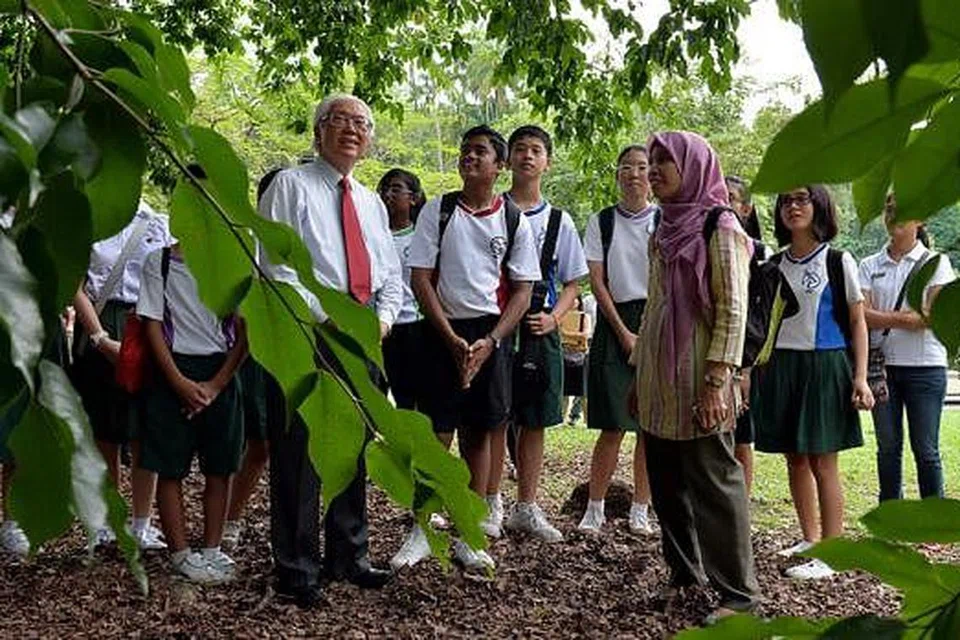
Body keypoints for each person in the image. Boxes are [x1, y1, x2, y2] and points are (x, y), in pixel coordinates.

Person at [258, 94, 401, 608]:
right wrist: (328, 319)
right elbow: (275, 267)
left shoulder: (370, 201)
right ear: (319, 130)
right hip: (307, 334)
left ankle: (349, 555)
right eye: (340, 120)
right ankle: (297, 567)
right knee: (299, 451)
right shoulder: (288, 186)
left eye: (361, 123)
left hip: (364, 339)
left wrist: (381, 320)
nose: (352, 130)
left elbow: (390, 276)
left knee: (354, 448)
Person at [399, 125, 540, 570]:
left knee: (479, 434)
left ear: (499, 166)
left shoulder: (512, 218)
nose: (469, 158)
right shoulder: (438, 211)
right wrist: (450, 337)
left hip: (490, 336)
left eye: (480, 152)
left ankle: (468, 533)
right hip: (441, 331)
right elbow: (420, 276)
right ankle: (421, 528)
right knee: (435, 433)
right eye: (465, 151)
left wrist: (491, 340)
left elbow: (523, 288)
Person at [632, 131, 759, 622]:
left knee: (714, 483)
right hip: (660, 379)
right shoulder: (663, 226)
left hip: (702, 376)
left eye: (666, 161)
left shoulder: (720, 225)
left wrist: (717, 380)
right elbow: (654, 307)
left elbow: (732, 309)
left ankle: (738, 599)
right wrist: (638, 374)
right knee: (665, 483)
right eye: (652, 161)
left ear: (695, 166)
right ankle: (685, 577)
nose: (654, 169)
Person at [752, 185, 874, 580]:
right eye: (785, 200)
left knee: (824, 461)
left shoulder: (839, 261)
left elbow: (857, 322)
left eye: (801, 199)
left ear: (819, 206)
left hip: (825, 365)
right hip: (782, 366)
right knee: (795, 456)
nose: (793, 207)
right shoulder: (773, 265)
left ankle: (832, 551)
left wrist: (859, 376)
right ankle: (810, 537)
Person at [477, 125, 588, 543]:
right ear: (507, 161)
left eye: (535, 150)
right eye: (519, 149)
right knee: (494, 415)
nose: (527, 156)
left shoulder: (559, 221)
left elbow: (573, 281)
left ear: (547, 161)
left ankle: (527, 505)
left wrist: (555, 318)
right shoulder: (491, 210)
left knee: (536, 417)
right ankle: (490, 501)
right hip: (497, 323)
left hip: (541, 325)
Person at [137, 241, 247, 583]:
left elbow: (247, 331)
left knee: (221, 465)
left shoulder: (234, 259)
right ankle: (181, 553)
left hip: (221, 370)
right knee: (169, 466)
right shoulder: (160, 262)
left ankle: (212, 549)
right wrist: (179, 382)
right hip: (172, 369)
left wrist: (216, 384)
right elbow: (152, 324)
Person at [71, 202, 171, 551]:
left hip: (144, 325)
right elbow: (76, 284)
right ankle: (104, 523)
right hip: (99, 321)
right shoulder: (86, 224)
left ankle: (142, 524)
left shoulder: (157, 224)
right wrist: (99, 338)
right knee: (103, 431)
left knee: (144, 428)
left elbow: (168, 281)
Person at [578, 145, 657, 535]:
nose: (635, 174)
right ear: (618, 174)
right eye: (627, 167)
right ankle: (595, 505)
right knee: (613, 423)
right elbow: (597, 280)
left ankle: (641, 509)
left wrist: (650, 331)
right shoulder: (602, 222)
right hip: (614, 321)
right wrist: (624, 333)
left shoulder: (665, 220)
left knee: (650, 426)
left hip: (658, 318)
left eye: (643, 167)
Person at [859, 193, 956, 502]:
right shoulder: (869, 264)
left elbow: (932, 316)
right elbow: (860, 314)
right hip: (882, 368)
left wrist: (882, 317)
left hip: (925, 367)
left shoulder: (936, 264)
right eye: (888, 208)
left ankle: (933, 518)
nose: (893, 215)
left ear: (921, 219)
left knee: (926, 449)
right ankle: (890, 514)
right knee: (887, 448)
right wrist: (907, 318)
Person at [725, 175, 764, 495]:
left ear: (747, 208)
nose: (724, 206)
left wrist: (746, 368)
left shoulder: (760, 255)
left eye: (731, 199)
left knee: (741, 437)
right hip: (708, 354)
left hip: (745, 359)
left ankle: (742, 503)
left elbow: (760, 318)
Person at [378, 168, 427, 410]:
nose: (388, 194)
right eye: (385, 189)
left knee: (410, 399)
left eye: (396, 189)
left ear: (414, 198)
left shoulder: (421, 236)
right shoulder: (372, 236)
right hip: (378, 327)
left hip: (414, 326)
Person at [560, 294, 594, 425]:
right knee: (564, 390)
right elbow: (559, 333)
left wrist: (567, 335)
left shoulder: (584, 317)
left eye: (575, 299)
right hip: (564, 355)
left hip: (581, 355)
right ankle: (562, 418)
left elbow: (585, 335)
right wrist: (575, 337)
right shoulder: (561, 316)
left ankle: (587, 420)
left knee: (583, 391)